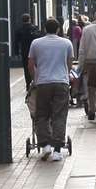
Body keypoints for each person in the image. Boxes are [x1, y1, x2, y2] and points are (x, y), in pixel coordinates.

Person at [27, 18, 74, 160]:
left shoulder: (36, 43)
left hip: (43, 83)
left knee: (41, 114)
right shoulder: (66, 43)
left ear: (45, 29)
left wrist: (35, 79)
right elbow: (70, 63)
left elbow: (30, 64)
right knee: (59, 115)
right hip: (61, 82)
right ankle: (58, 150)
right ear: (58, 29)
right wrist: (65, 75)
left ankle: (45, 144)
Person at [15, 15, 40, 85]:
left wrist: (16, 53)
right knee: (36, 66)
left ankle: (28, 84)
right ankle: (36, 81)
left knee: (26, 68)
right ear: (29, 19)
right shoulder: (34, 28)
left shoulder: (19, 29)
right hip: (35, 51)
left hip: (25, 51)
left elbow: (16, 42)